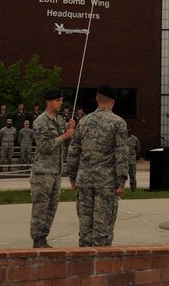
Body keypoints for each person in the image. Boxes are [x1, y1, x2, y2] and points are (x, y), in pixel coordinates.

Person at [67, 84, 129, 247]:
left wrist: (73, 177)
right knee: (102, 230)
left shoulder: (84, 121)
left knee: (85, 230)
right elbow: (121, 154)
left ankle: (84, 266)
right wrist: (121, 180)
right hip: (106, 184)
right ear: (113, 102)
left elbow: (73, 151)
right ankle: (100, 267)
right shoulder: (118, 123)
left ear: (97, 100)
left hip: (84, 181)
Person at [30, 87, 75, 248]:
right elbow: (44, 146)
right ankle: (37, 238)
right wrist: (64, 135)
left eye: (61, 100)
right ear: (49, 101)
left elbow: (66, 143)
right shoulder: (40, 121)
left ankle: (44, 237)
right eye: (58, 100)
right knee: (40, 208)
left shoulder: (60, 120)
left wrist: (70, 129)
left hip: (56, 171)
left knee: (51, 207)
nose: (60, 103)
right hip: (43, 172)